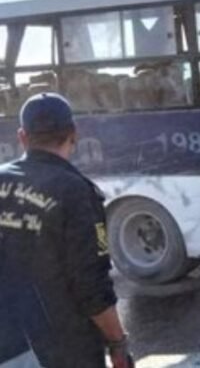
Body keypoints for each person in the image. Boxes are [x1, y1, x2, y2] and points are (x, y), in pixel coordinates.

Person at [0, 93, 133, 367]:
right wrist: (118, 343)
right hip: (64, 348)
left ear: (22, 137)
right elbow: (91, 286)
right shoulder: (75, 192)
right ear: (73, 134)